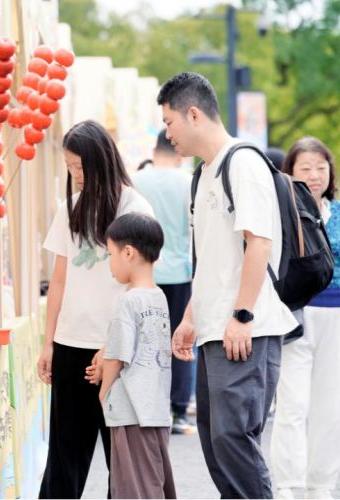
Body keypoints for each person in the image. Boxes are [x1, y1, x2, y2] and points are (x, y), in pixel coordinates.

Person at [159, 72, 297, 498]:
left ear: (193, 113)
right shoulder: (203, 175)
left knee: (233, 437)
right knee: (215, 440)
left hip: (244, 329)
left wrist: (242, 315)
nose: (167, 133)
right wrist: (188, 318)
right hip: (214, 329)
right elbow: (210, 260)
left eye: (169, 122)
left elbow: (259, 243)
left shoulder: (244, 163)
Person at [36, 120, 154, 498]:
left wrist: (113, 347)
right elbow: (59, 280)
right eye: (70, 167)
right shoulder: (69, 209)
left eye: (81, 167)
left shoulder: (134, 208)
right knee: (64, 459)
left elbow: (142, 285)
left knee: (120, 460)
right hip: (71, 345)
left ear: (101, 160)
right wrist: (48, 342)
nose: (76, 175)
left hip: (119, 350)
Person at [271, 137, 340, 499]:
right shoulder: (282, 210)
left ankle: (319, 486)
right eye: (305, 168)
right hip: (297, 314)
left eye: (320, 167)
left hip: (338, 315)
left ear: (330, 171)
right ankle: (288, 485)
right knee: (293, 402)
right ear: (290, 172)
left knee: (331, 404)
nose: (314, 175)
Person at [99, 212, 176, 499]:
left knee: (133, 487)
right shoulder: (158, 296)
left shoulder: (128, 300)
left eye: (110, 254)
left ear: (128, 252)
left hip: (130, 409)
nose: (110, 263)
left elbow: (118, 356)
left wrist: (104, 391)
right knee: (154, 479)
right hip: (155, 406)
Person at [132, 129, 195, 435]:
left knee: (146, 340)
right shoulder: (188, 181)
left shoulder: (137, 180)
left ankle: (150, 404)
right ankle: (179, 409)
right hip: (181, 272)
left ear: (154, 149)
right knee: (180, 340)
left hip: (146, 273)